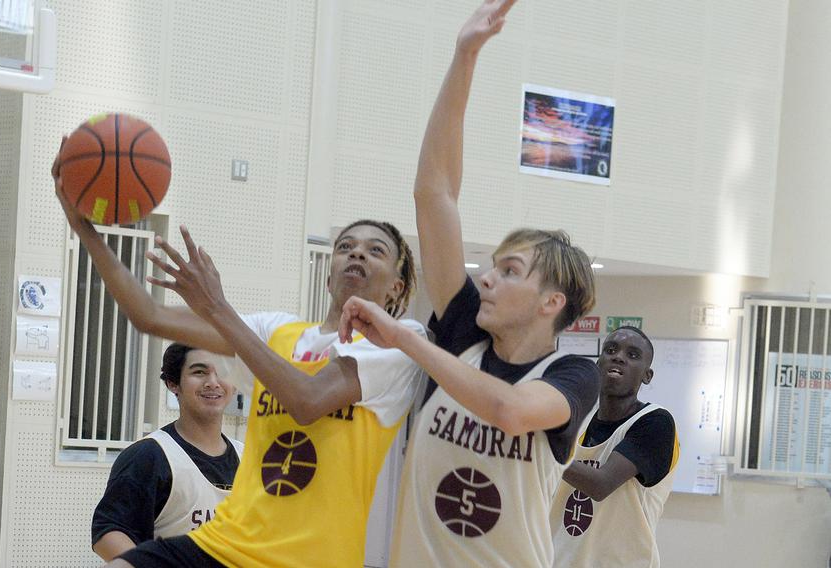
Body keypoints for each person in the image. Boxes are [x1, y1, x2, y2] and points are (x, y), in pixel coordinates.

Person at [52, 143, 426, 568]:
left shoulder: (400, 345)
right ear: (329, 273)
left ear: (396, 287)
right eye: (346, 246)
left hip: (310, 559)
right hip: (226, 543)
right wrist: (84, 229)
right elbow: (148, 314)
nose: (357, 252)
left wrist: (218, 308)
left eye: (375, 250)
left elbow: (306, 402)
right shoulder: (277, 330)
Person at [338, 1, 600, 566]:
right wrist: (465, 56)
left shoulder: (574, 375)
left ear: (550, 302)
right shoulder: (463, 329)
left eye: (510, 272)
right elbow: (435, 193)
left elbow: (508, 410)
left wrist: (409, 339)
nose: (487, 277)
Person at [91, 343, 244, 561]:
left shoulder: (250, 459)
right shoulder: (148, 455)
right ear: (173, 383)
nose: (213, 382)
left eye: (223, 372)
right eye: (199, 372)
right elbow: (107, 533)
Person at [549, 326, 679, 568]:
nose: (618, 357)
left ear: (647, 375)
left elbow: (601, 484)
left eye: (632, 355)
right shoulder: (578, 421)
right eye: (610, 350)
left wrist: (544, 449)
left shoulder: (656, 422)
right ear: (598, 364)